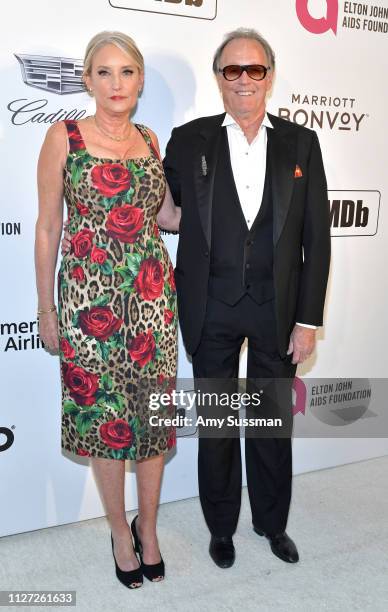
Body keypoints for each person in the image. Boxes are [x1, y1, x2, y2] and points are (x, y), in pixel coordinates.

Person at [163, 28, 331, 568]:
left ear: (269, 76)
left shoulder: (301, 143)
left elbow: (316, 240)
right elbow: (165, 210)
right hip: (210, 307)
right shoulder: (188, 140)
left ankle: (270, 522)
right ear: (219, 78)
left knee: (268, 424)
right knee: (215, 427)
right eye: (232, 70)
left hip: (276, 310)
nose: (243, 80)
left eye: (253, 70)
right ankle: (220, 529)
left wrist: (307, 321)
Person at [35, 31, 180, 589]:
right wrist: (46, 310)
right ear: (87, 80)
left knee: (150, 420)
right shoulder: (64, 138)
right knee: (105, 422)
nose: (116, 84)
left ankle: (150, 528)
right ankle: (120, 531)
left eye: (126, 73)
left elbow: (167, 217)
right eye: (104, 72)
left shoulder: (150, 138)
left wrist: (231, 210)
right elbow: (48, 227)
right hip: (87, 302)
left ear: (140, 80)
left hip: (150, 302)